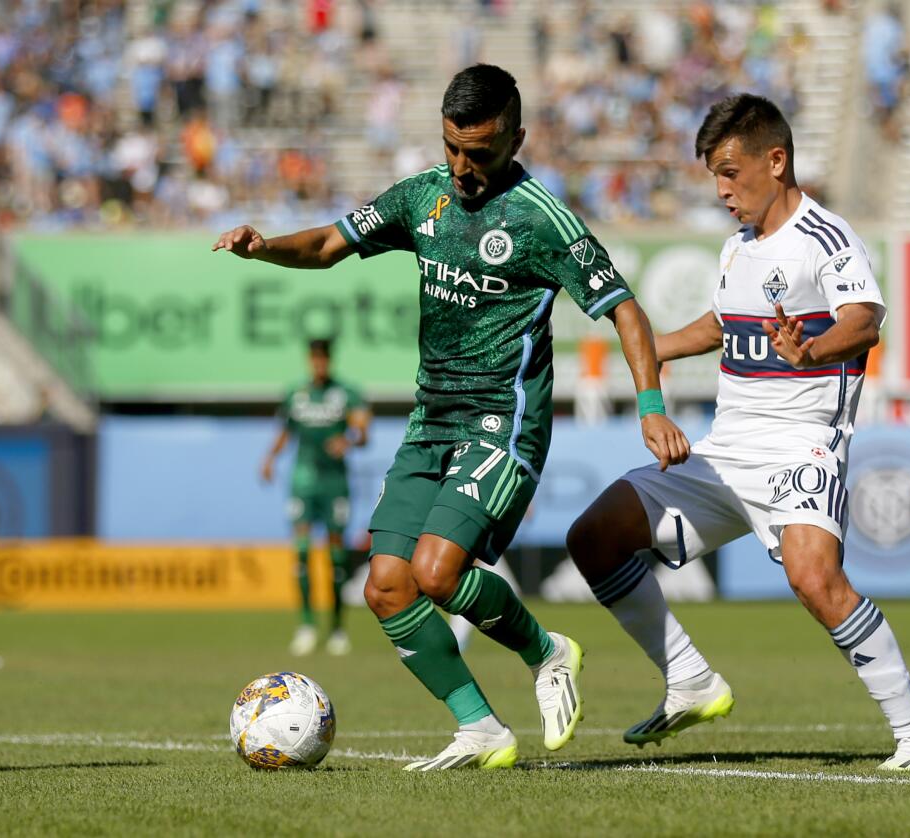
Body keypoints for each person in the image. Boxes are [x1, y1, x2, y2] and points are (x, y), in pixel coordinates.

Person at [215, 64, 689, 771]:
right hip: (431, 420)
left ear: (516, 138)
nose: (463, 168)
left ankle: (548, 652)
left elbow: (623, 305)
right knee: (385, 586)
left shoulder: (543, 219)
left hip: (505, 421)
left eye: (481, 153)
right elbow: (325, 246)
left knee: (438, 573)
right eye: (452, 149)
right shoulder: (423, 198)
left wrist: (651, 408)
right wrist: (266, 248)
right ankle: (480, 727)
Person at [567, 94, 910, 772]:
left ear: (776, 161)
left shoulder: (826, 237)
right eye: (714, 176)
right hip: (726, 449)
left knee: (815, 579)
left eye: (728, 172)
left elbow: (864, 321)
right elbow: (721, 325)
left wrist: (814, 350)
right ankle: (688, 678)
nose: (720, 191)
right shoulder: (737, 247)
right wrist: (651, 350)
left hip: (802, 441)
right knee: (593, 537)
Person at [262, 338, 371, 657]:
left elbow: (363, 432)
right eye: (314, 359)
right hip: (303, 479)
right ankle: (307, 625)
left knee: (336, 557)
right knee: (302, 552)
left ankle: (337, 628)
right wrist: (270, 458)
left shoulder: (345, 394)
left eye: (323, 359)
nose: (319, 364)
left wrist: (349, 439)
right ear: (309, 361)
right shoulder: (296, 394)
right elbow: (285, 431)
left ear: (329, 361)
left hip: (334, 482)